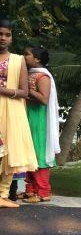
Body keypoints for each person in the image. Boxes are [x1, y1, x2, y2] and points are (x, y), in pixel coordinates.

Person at [0, 19, 37, 208]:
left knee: (9, 152)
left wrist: (3, 90)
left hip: (11, 109)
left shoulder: (18, 60)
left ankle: (3, 195)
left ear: (12, 38)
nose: (3, 38)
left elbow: (24, 92)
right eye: (0, 34)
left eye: (7, 35)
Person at [22, 45, 60, 203]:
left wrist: (26, 90)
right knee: (28, 154)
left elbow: (44, 99)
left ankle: (43, 192)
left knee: (39, 155)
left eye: (27, 54)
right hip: (29, 116)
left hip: (40, 120)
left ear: (37, 59)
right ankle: (30, 190)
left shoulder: (43, 77)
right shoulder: (30, 74)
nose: (23, 57)